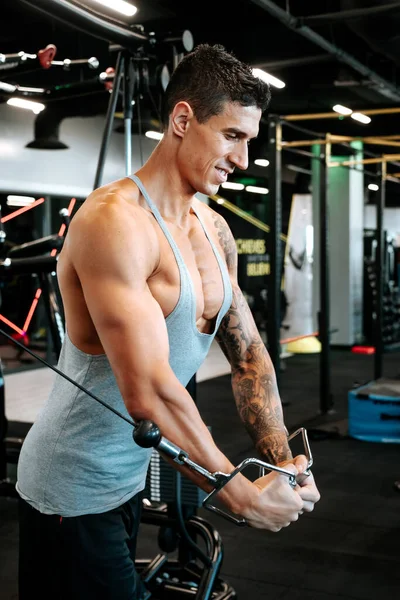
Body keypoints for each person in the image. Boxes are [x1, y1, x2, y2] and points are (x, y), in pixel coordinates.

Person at [16, 43, 320, 600]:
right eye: (232, 136)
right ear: (183, 119)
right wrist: (242, 496)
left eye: (249, 141)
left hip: (126, 477)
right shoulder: (115, 223)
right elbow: (151, 393)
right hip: (73, 485)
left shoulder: (214, 228)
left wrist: (282, 465)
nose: (244, 159)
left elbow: (248, 353)